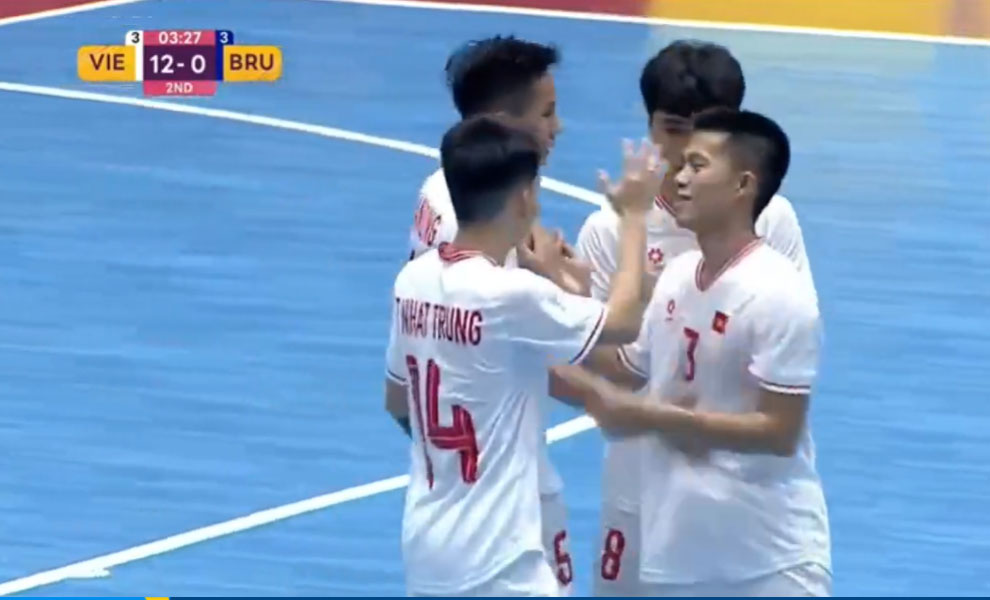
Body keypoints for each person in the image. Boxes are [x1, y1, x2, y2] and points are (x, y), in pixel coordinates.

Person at [573, 39, 818, 597]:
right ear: (649, 124)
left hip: (745, 492)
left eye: (705, 134)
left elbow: (784, 362)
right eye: (673, 128)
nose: (685, 150)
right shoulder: (610, 231)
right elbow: (618, 363)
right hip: (645, 480)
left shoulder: (772, 224)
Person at [384, 115, 662, 596]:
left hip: (427, 545)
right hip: (498, 559)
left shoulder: (412, 281)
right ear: (524, 198)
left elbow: (396, 399)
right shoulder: (509, 294)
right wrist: (635, 218)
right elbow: (622, 323)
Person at [404, 35, 588, 594]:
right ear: (503, 124)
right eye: (546, 113)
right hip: (501, 505)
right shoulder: (479, 229)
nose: (558, 128)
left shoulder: (450, 192)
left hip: (473, 482)